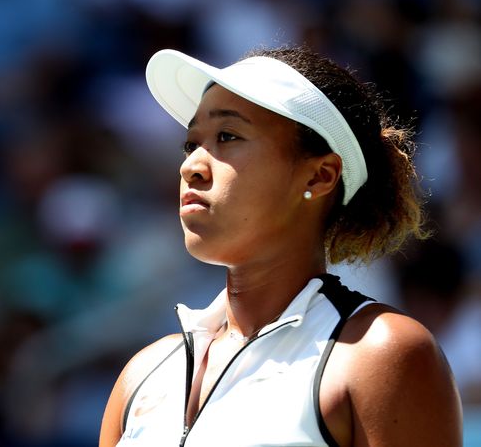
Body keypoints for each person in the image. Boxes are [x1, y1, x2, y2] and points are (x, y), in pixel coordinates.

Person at [99, 47, 463, 446]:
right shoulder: (142, 374)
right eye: (191, 144)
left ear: (319, 176)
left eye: (227, 136)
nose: (191, 166)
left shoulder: (381, 353)